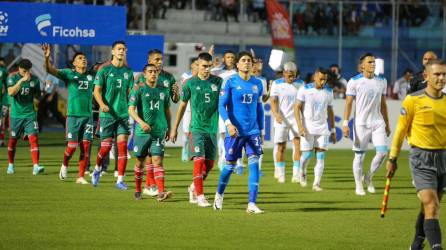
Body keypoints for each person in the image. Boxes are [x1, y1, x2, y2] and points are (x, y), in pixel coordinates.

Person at [387, 59, 446, 250]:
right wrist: (392, 158)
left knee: (429, 206)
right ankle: (437, 247)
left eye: (444, 74)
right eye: (437, 74)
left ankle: (417, 242)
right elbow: (400, 130)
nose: (442, 78)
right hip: (421, 159)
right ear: (426, 76)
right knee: (432, 205)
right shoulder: (413, 100)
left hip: (443, 159)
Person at [213, 51, 265, 214]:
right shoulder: (230, 82)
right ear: (237, 64)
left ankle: (251, 204)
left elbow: (259, 108)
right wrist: (228, 124)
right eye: (243, 60)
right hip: (235, 132)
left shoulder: (258, 83)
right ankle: (219, 195)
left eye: (249, 60)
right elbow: (221, 106)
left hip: (253, 131)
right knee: (229, 166)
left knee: (254, 164)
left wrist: (261, 130)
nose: (247, 63)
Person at [170, 52, 222, 207]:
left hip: (212, 129)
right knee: (198, 161)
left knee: (210, 164)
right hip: (196, 128)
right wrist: (174, 128)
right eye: (204, 66)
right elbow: (182, 106)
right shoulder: (189, 83)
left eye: (209, 66)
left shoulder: (218, 82)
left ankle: (193, 187)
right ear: (197, 65)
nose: (206, 69)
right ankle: (200, 196)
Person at [42, 44, 94, 185]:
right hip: (73, 116)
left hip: (87, 117)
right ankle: (64, 165)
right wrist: (46, 58)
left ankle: (80, 176)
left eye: (84, 58)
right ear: (74, 62)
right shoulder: (68, 74)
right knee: (72, 146)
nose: (83, 60)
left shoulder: (91, 76)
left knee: (86, 147)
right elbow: (49, 70)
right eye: (80, 58)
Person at [343, 53, 391, 196]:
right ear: (362, 65)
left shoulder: (382, 81)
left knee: (383, 152)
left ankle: (368, 176)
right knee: (359, 156)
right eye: (369, 62)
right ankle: (358, 185)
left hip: (377, 122)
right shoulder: (354, 81)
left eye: (374, 62)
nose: (373, 64)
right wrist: (345, 124)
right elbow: (348, 103)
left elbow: (383, 104)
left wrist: (387, 124)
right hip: (361, 123)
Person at [91, 41, 134, 190]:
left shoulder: (128, 72)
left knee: (122, 148)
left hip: (122, 114)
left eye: (124, 49)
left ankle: (120, 180)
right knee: (105, 147)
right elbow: (96, 91)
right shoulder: (104, 69)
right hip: (107, 115)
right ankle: (97, 169)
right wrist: (102, 105)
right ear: (113, 51)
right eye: (119, 49)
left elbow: (130, 93)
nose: (122, 51)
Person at [137, 49, 179, 197]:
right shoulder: (141, 78)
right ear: (149, 61)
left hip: (160, 124)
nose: (160, 62)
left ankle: (151, 186)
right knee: (149, 156)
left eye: (161, 59)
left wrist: (176, 93)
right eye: (157, 59)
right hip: (146, 124)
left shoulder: (168, 77)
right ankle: (149, 185)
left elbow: (173, 101)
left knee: (155, 156)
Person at [129, 64, 173, 201]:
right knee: (139, 162)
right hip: (142, 133)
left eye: (155, 72)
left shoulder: (164, 90)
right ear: (145, 74)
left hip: (159, 131)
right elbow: (130, 110)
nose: (153, 74)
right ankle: (137, 189)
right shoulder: (138, 89)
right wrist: (141, 123)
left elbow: (167, 110)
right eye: (150, 71)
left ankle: (160, 192)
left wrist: (169, 127)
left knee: (157, 161)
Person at [294, 68, 336, 191]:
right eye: (321, 79)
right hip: (308, 127)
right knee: (307, 155)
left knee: (321, 156)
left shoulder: (329, 91)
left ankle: (316, 184)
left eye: (325, 80)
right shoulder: (305, 89)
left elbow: (330, 111)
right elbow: (296, 108)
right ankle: (302, 171)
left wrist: (333, 130)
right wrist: (300, 126)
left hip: (322, 128)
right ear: (315, 77)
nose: (323, 82)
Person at [6, 59, 44, 175]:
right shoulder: (12, 78)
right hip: (16, 115)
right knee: (12, 141)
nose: (26, 72)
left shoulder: (35, 79)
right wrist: (22, 81)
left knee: (34, 139)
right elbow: (11, 92)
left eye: (28, 70)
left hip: (30, 115)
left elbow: (38, 95)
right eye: (24, 70)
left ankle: (36, 166)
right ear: (19, 68)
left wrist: (36, 103)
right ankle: (11, 165)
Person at [269, 62, 303, 183]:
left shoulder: (301, 84)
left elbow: (302, 104)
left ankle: (296, 174)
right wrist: (276, 114)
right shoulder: (277, 84)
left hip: (295, 119)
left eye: (294, 75)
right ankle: (280, 173)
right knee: (281, 146)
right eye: (289, 75)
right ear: (284, 73)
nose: (292, 78)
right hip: (282, 119)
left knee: (298, 145)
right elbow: (273, 101)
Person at [180, 57, 198, 162]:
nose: (198, 66)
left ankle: (194, 151)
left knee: (196, 131)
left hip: (198, 108)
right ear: (192, 65)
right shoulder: (186, 76)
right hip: (187, 108)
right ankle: (185, 150)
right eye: (196, 64)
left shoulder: (202, 78)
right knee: (186, 131)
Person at [0, 57, 8, 147]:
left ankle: (1, 140)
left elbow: (8, 86)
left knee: (2, 121)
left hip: (4, 101)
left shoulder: (4, 71)